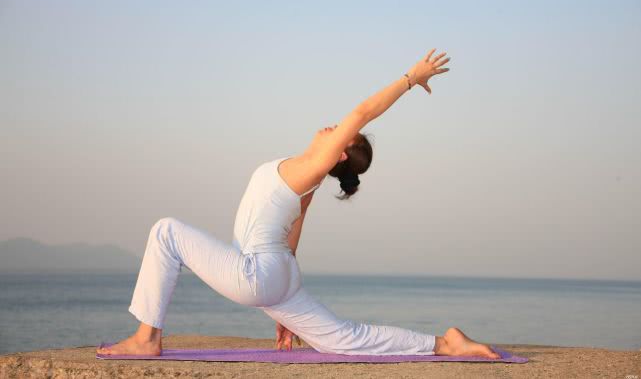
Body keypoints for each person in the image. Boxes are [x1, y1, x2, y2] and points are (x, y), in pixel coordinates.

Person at [96, 49, 500, 359]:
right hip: (278, 272)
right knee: (343, 339)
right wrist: (280, 304)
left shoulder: (313, 167)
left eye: (342, 135)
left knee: (166, 232)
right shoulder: (307, 177)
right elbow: (294, 231)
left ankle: (147, 338)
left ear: (340, 153)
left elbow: (363, 111)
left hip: (259, 271)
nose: (333, 127)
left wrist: (411, 77)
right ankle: (444, 344)